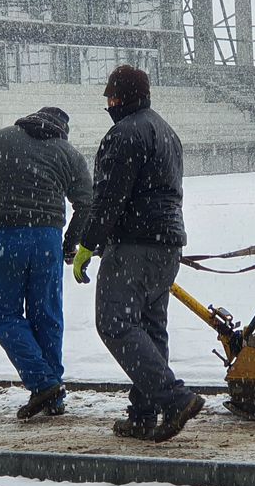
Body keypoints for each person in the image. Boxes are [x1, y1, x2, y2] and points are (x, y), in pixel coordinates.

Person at [72, 66, 205, 442]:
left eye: (111, 98)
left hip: (133, 246)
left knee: (114, 323)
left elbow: (109, 199)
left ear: (122, 97)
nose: (109, 105)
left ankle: (174, 398)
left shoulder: (124, 134)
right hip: (168, 246)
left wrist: (86, 244)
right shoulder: (165, 131)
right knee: (150, 327)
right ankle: (144, 413)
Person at [0, 106, 92, 419]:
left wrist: (1, 180)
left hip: (7, 236)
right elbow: (87, 204)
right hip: (47, 240)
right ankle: (52, 393)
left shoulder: (1, 139)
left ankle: (43, 383)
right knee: (47, 314)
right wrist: (69, 245)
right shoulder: (68, 153)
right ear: (62, 129)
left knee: (1, 308)